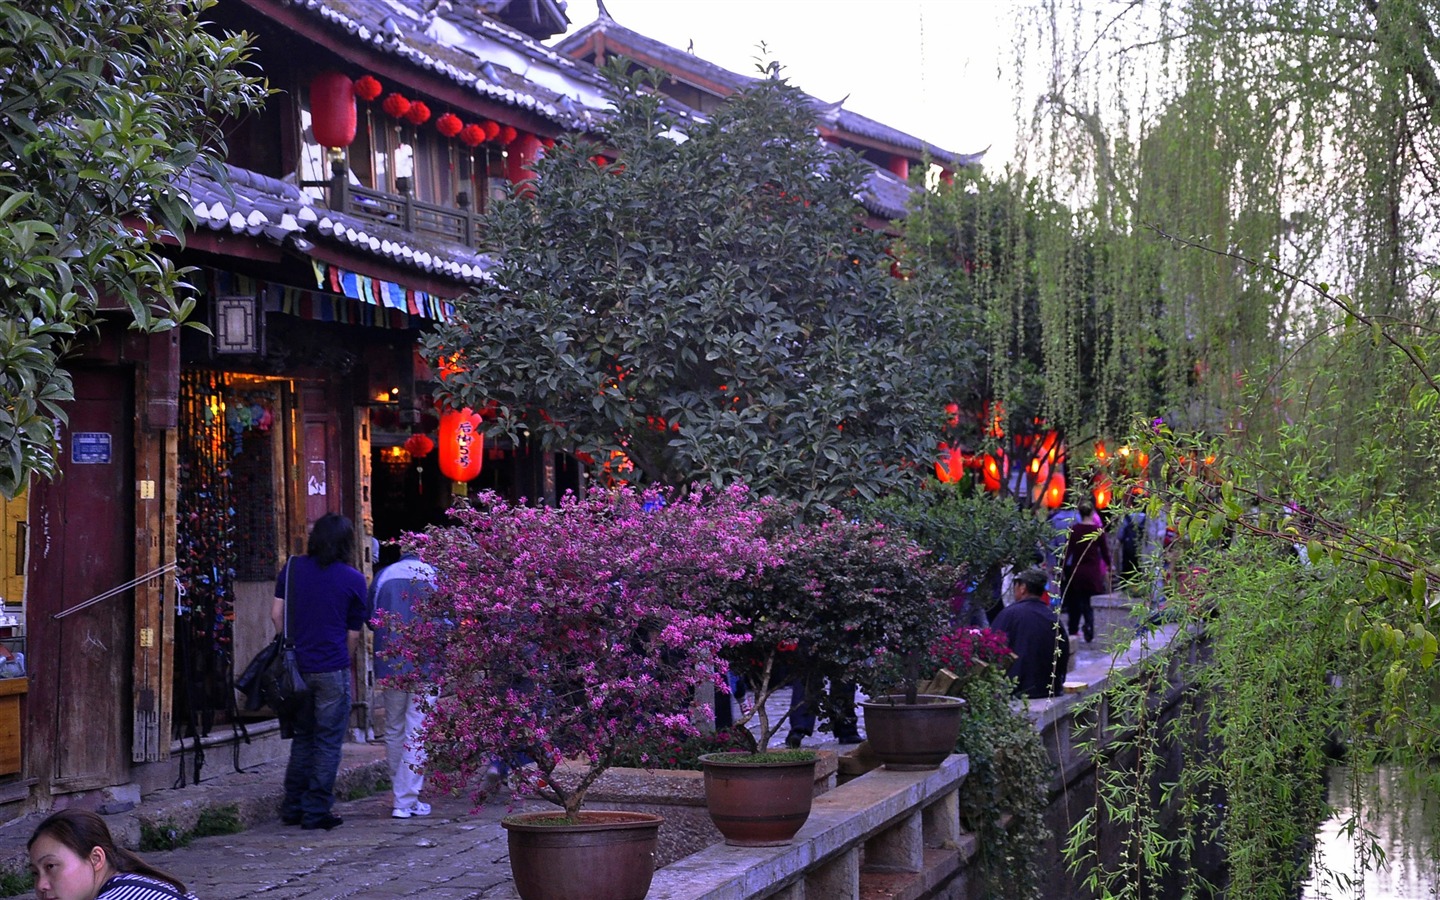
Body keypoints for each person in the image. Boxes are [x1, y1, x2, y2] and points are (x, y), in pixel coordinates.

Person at [272, 513, 368, 831]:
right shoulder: (354, 579)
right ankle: (316, 810)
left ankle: (293, 805)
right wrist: (344, 660)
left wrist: (291, 648)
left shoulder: (294, 568)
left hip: (296, 666)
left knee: (303, 737)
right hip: (332, 668)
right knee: (328, 741)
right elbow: (353, 634)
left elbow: (276, 615)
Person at [370, 549, 437, 819]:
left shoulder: (383, 575)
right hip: (427, 663)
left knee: (394, 728)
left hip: (391, 661)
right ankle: (406, 799)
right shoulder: (433, 576)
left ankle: (401, 797)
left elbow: (371, 618)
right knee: (417, 731)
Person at [28, 808, 198, 900]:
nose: (41, 885)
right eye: (35, 873)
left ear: (96, 859)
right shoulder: (131, 884)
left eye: (51, 866)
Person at [991, 567, 1070, 699]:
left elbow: (991, 648)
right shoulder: (1052, 617)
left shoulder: (1009, 614)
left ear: (1023, 588)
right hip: (1049, 689)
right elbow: (1063, 654)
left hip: (1016, 691)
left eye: (1015, 585)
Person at [1060, 499, 1111, 643]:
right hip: (1092, 571)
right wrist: (1109, 565)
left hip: (1077, 571)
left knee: (1075, 602)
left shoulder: (1074, 530)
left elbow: (1067, 552)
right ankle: (1089, 629)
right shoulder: (1097, 531)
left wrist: (1062, 569)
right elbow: (1105, 552)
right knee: (1089, 603)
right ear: (1092, 512)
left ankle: (1073, 629)